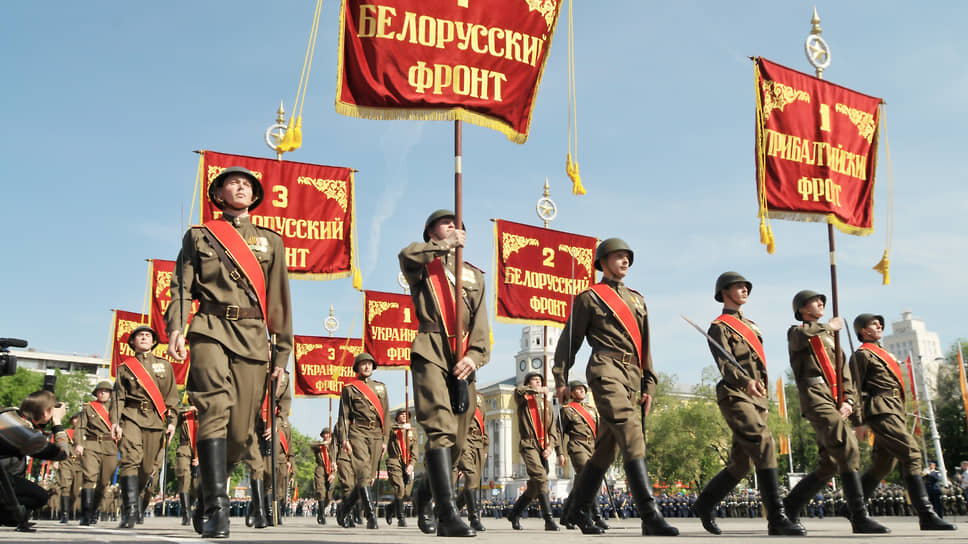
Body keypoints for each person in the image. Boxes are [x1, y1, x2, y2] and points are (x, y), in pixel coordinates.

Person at [166, 165, 293, 538]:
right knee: (213, 407)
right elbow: (181, 286)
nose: (240, 187)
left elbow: (280, 302)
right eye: (231, 183)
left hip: (254, 335)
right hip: (209, 328)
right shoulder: (199, 236)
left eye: (246, 184)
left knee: (240, 433)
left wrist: (282, 356)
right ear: (218, 194)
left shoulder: (272, 242)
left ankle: (207, 491)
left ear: (254, 197)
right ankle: (218, 507)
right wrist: (176, 326)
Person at [553, 238, 678, 536]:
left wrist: (649, 383)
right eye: (618, 256)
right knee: (631, 431)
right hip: (605, 370)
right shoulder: (590, 298)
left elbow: (645, 346)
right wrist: (560, 378)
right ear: (602, 262)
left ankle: (578, 509)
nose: (625, 262)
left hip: (632, 375)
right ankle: (650, 515)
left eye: (627, 258)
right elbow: (569, 340)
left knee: (606, 450)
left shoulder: (637, 299)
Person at [399, 209, 490, 537]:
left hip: (462, 359)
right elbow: (405, 254)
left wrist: (475, 357)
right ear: (431, 232)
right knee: (440, 429)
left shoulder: (475, 276)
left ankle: (424, 493)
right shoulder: (422, 264)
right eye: (446, 223)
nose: (454, 227)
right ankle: (447, 515)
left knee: (458, 440)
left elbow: (481, 327)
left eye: (458, 225)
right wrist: (441, 246)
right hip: (431, 350)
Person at [691, 272, 803, 535]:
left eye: (746, 287)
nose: (744, 290)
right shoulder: (719, 326)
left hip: (757, 397)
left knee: (742, 464)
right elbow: (725, 364)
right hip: (735, 394)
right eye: (738, 287)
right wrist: (745, 382)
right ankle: (776, 518)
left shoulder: (751, 325)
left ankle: (704, 503)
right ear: (724, 292)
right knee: (764, 442)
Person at [782, 290, 888, 534]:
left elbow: (844, 374)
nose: (821, 303)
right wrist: (828, 326)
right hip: (815, 395)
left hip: (835, 398)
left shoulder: (832, 338)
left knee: (829, 462)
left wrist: (849, 400)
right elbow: (801, 337)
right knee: (847, 445)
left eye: (822, 301)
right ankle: (858, 516)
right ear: (801, 308)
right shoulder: (798, 332)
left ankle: (790, 506)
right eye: (815, 301)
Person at [850, 313, 955, 530]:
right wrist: (858, 421)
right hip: (880, 410)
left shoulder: (882, 353)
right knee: (912, 453)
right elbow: (854, 389)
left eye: (880, 323)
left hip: (895, 408)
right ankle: (926, 515)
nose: (879, 325)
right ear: (862, 330)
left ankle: (852, 506)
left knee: (882, 465)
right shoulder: (862, 355)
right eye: (873, 323)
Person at [109, 325, 178, 529]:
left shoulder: (165, 367)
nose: (145, 337)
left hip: (156, 420)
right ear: (132, 342)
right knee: (130, 459)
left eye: (148, 335)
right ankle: (129, 510)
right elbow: (118, 398)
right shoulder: (125, 368)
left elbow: (172, 398)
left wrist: (172, 421)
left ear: (154, 341)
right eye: (140, 335)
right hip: (131, 417)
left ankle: (139, 501)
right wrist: (115, 422)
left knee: (148, 469)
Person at [0, 390, 70, 532]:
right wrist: (57, 423)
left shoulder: (7, 415)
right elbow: (62, 454)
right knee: (41, 496)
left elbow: (33, 425)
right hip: (2, 482)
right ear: (45, 413)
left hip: (5, 475)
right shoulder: (25, 435)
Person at [334, 353, 389, 530]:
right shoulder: (350, 388)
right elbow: (343, 416)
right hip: (357, 432)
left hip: (376, 434)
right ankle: (371, 516)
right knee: (364, 473)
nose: (366, 367)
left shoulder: (381, 388)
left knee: (369, 478)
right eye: (363, 364)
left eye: (369, 364)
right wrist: (344, 438)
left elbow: (386, 416)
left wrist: (385, 439)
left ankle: (344, 508)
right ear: (357, 367)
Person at [507, 372, 560, 531]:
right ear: (528, 383)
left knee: (534, 487)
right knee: (540, 476)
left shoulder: (547, 403)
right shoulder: (523, 398)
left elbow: (552, 429)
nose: (538, 382)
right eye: (534, 380)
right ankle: (548, 519)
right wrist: (537, 390)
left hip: (543, 445)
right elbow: (519, 390)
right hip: (528, 443)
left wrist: (550, 447)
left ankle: (514, 513)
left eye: (539, 380)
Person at [558, 380, 608, 531]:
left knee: (582, 482)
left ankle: (566, 515)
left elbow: (599, 431)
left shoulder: (592, 410)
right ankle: (596, 517)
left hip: (593, 446)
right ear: (571, 392)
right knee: (588, 477)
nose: (581, 391)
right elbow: (559, 433)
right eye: (577, 389)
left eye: (583, 389)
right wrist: (560, 452)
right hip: (577, 445)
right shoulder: (567, 410)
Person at [76, 380, 119, 526]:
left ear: (111, 394)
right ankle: (86, 513)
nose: (102, 393)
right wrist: (80, 444)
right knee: (90, 477)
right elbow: (80, 427)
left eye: (106, 391)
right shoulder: (89, 408)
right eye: (100, 391)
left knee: (103, 482)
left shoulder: (117, 408)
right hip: (92, 444)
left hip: (110, 446)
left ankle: (94, 509)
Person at [455, 392, 488, 532]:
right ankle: (474, 519)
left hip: (478, 441)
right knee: (471, 476)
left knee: (473, 482)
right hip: (463, 438)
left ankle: (447, 512)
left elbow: (483, 422)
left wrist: (486, 446)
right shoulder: (454, 392)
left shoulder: (480, 397)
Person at [385, 409, 415, 527]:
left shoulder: (413, 431)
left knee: (406, 493)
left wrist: (412, 464)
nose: (404, 416)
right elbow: (388, 430)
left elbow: (415, 449)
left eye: (406, 414)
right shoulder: (393, 429)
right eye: (401, 414)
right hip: (394, 460)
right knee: (400, 487)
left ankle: (390, 508)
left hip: (407, 463)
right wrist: (401, 427)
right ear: (397, 417)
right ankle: (401, 518)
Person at [54, 412, 81, 524]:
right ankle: (64, 514)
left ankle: (69, 509)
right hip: (66, 461)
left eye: (78, 419)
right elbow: (59, 446)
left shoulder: (87, 434)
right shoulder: (66, 433)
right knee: (65, 487)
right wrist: (56, 460)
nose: (76, 421)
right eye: (74, 419)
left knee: (75, 491)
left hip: (80, 464)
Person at [174, 405, 199, 526]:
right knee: (184, 479)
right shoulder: (185, 411)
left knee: (196, 486)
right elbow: (173, 414)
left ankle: (190, 506)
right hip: (184, 448)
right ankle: (186, 514)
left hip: (200, 450)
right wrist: (189, 408)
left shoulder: (206, 410)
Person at [311, 428, 336, 525]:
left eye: (328, 434)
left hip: (331, 470)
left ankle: (322, 509)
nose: (326, 436)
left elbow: (337, 459)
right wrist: (323, 444)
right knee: (321, 491)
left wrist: (333, 474)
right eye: (325, 434)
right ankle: (321, 515)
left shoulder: (334, 447)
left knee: (329, 495)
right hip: (320, 468)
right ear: (322, 435)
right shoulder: (319, 445)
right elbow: (311, 445)